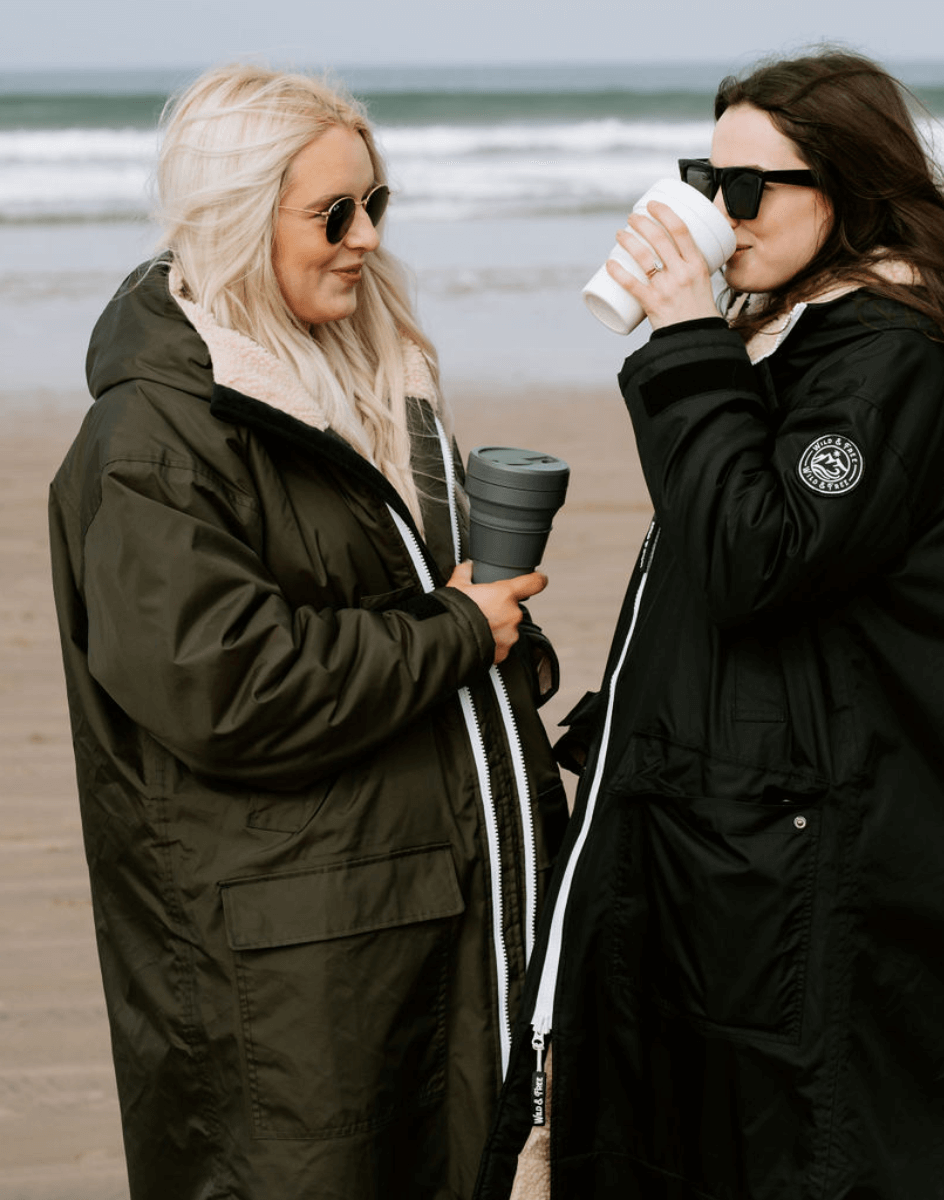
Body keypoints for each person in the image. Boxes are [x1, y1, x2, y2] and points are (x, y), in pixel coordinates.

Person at [474, 51, 944, 1200]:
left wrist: (687, 334)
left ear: (846, 186)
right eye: (704, 176)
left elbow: (759, 553)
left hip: (814, 863)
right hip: (754, 846)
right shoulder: (798, 335)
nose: (717, 210)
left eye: (749, 188)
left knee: (815, 1150)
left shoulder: (891, 352)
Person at [48, 64, 567, 1200]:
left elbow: (384, 614)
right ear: (237, 219)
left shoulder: (355, 388)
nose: (366, 239)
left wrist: (497, 641)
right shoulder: (155, 440)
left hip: (402, 931)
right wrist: (450, 634)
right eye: (333, 213)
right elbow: (227, 687)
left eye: (378, 205)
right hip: (290, 977)